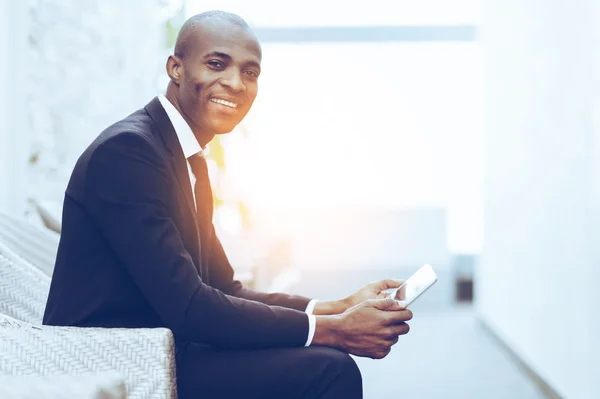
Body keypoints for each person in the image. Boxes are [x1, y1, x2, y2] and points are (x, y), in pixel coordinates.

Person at [43, 10, 413, 399]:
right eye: (217, 64)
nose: (236, 83)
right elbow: (190, 307)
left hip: (166, 345)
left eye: (250, 73)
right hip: (115, 361)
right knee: (328, 369)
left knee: (322, 362)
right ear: (176, 69)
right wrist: (334, 331)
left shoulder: (187, 158)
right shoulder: (128, 152)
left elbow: (223, 287)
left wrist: (337, 307)